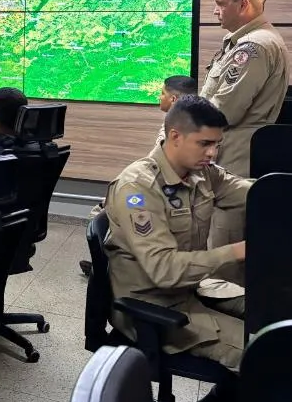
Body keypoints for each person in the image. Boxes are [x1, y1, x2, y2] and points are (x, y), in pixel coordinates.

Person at [105, 96, 250, 379]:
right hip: (152, 307)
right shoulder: (138, 188)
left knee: (277, 312)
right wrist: (235, 252)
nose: (213, 153)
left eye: (217, 144)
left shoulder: (201, 174)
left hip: (191, 289)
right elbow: (164, 270)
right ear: (175, 136)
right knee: (267, 347)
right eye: (205, 144)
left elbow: (254, 192)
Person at [80, 74, 200, 278]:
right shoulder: (194, 124)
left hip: (166, 197)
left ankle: (111, 270)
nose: (158, 97)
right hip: (168, 194)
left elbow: (159, 171)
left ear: (173, 100)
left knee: (100, 214)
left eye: (162, 93)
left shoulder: (176, 131)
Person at [203, 0, 289, 249]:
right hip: (230, 155)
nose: (214, 10)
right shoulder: (243, 41)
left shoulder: (254, 47)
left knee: (224, 247)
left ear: (243, 5)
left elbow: (224, 110)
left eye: (220, 3)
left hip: (235, 159)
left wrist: (183, 125)